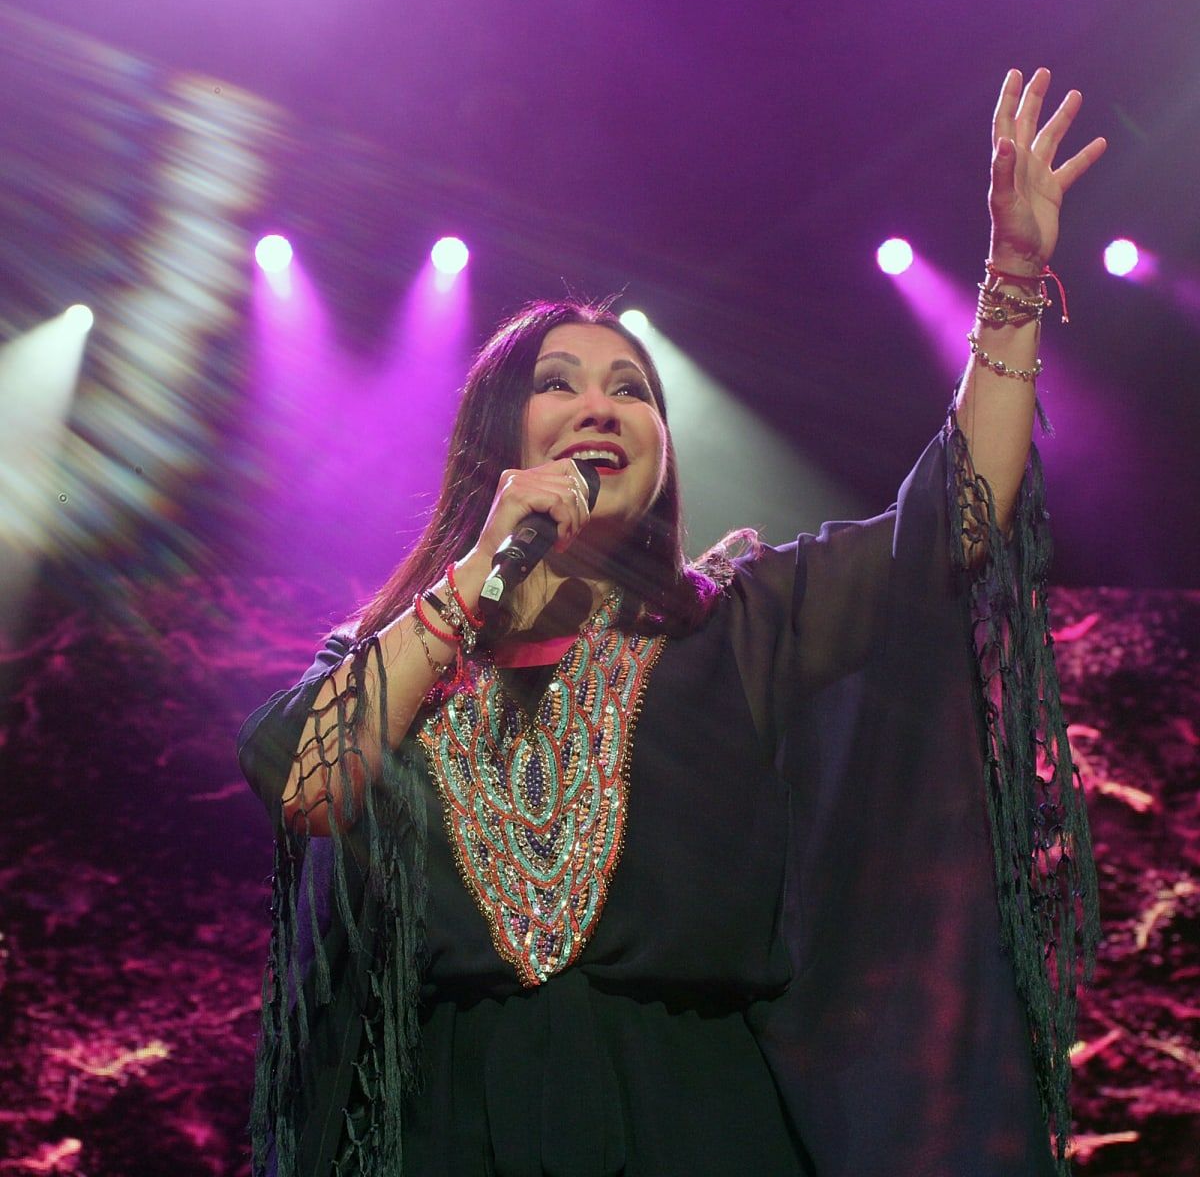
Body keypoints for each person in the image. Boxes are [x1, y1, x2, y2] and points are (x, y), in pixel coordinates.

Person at [237, 68, 1104, 1177]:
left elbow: (951, 523)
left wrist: (1017, 277)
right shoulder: (404, 661)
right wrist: (465, 589)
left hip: (696, 1122)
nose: (603, 404)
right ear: (496, 440)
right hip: (450, 1131)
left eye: (633, 389)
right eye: (561, 384)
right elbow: (306, 784)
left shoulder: (736, 626)